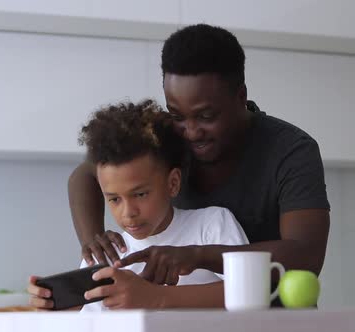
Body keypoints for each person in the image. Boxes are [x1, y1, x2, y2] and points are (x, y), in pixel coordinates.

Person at [68, 24, 330, 289]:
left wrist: (198, 255)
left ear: (240, 96)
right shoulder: (162, 136)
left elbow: (305, 256)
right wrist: (94, 241)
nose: (191, 132)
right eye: (177, 115)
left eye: (206, 116)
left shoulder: (290, 150)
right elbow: (86, 173)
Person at [28, 99, 248, 310]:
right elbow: (92, 320)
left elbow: (250, 291)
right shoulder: (107, 253)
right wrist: (53, 308)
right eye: (114, 199)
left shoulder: (211, 225)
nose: (128, 213)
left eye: (140, 194)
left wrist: (155, 297)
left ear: (172, 183)